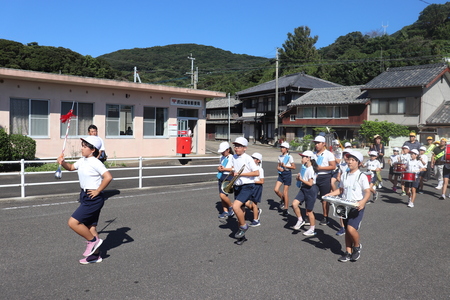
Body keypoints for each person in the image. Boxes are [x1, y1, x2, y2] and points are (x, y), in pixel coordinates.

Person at [57, 136, 113, 264]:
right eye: (82, 145)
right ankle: (95, 256)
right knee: (91, 227)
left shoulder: (95, 162)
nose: (82, 148)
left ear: (92, 149)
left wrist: (98, 190)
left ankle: (93, 241)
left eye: (84, 146)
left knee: (73, 222)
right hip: (85, 195)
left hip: (93, 198)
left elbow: (108, 177)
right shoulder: (83, 160)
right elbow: (71, 167)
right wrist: (63, 162)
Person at [326, 150, 370, 262]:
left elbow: (367, 192)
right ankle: (348, 252)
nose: (349, 162)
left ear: (359, 163)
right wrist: (329, 194)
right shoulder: (344, 175)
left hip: (356, 206)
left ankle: (357, 246)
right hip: (344, 205)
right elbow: (341, 190)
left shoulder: (362, 176)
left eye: (353, 160)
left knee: (351, 229)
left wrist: (363, 202)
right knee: (346, 229)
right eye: (349, 159)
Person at [230, 137, 259, 240]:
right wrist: (232, 172)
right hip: (237, 185)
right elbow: (234, 170)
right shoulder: (233, 157)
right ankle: (241, 236)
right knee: (241, 212)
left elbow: (256, 172)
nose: (236, 148)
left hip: (248, 186)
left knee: (235, 207)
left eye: (238, 146)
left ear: (245, 148)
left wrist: (242, 174)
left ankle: (243, 226)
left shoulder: (248, 158)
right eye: (235, 146)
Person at [291, 150, 319, 236]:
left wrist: (301, 179)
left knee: (309, 211)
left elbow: (310, 183)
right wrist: (298, 178)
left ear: (308, 158)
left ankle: (312, 229)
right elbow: (303, 179)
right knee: (294, 204)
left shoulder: (311, 170)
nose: (301, 159)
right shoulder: (305, 168)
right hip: (303, 188)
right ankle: (300, 220)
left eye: (303, 157)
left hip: (311, 189)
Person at [313, 135, 336, 225]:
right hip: (314, 177)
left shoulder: (328, 154)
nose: (316, 145)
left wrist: (321, 168)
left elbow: (333, 166)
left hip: (325, 177)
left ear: (324, 144)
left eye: (318, 143)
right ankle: (309, 214)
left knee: (324, 199)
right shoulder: (313, 154)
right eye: (315, 143)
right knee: (310, 196)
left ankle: (325, 216)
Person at [274, 141, 296, 217]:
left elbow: (293, 167)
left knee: (285, 192)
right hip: (281, 174)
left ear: (287, 149)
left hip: (287, 174)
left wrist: (286, 166)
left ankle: (286, 209)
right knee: (276, 190)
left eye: (283, 148)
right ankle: (283, 199)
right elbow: (278, 166)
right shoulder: (279, 157)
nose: (282, 149)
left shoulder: (289, 157)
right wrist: (279, 168)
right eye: (281, 147)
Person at [216, 142, 235, 219]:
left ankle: (231, 206)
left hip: (229, 176)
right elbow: (220, 166)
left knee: (222, 195)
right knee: (222, 195)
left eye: (223, 151)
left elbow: (234, 168)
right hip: (221, 176)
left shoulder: (232, 157)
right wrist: (219, 168)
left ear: (228, 150)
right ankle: (225, 211)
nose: (222, 153)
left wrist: (225, 169)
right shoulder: (221, 157)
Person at [247, 153, 264, 227]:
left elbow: (262, 181)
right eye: (252, 157)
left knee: (254, 203)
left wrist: (253, 181)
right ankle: (257, 211)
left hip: (257, 187)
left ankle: (256, 221)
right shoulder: (249, 168)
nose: (252, 159)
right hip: (249, 186)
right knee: (245, 202)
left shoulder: (260, 169)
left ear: (258, 160)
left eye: (254, 158)